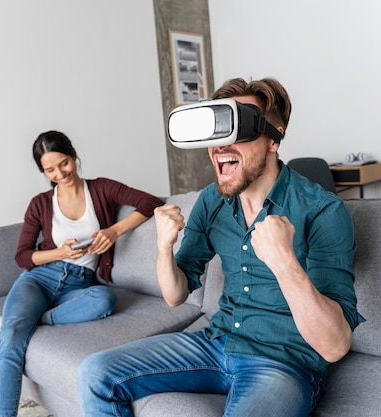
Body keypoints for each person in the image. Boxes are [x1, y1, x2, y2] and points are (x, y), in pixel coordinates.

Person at [76, 77, 365, 417]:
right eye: (217, 133)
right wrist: (163, 247)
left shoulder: (322, 211)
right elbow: (174, 295)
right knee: (95, 373)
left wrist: (285, 262)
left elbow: (334, 346)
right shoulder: (211, 200)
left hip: (284, 363)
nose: (221, 146)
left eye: (238, 130)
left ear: (274, 137)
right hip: (216, 342)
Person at [0, 130, 164, 417]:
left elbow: (150, 202)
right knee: (10, 340)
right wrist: (60, 252)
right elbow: (23, 256)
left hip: (79, 284)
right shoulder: (40, 203)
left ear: (74, 156)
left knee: (104, 300)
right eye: (50, 169)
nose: (59, 173)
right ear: (43, 171)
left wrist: (113, 231)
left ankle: (37, 318)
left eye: (64, 164)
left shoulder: (101, 188)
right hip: (39, 279)